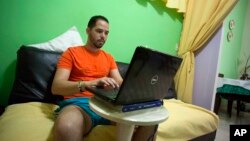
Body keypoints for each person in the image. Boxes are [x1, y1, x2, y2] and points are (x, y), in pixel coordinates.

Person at [51, 15, 158, 141]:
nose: (103, 36)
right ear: (88, 30)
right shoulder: (71, 53)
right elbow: (56, 87)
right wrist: (90, 84)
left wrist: (139, 81)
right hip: (79, 106)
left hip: (108, 106)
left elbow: (120, 83)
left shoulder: (108, 57)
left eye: (106, 33)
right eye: (99, 31)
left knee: (152, 121)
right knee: (67, 126)